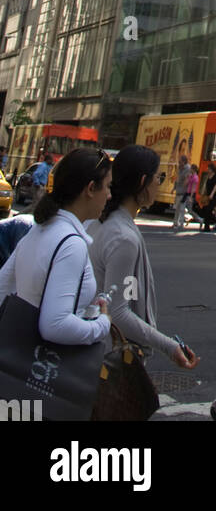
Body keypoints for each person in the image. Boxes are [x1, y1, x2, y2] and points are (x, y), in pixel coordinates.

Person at [90, 145, 199, 376]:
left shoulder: (105, 222)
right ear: (143, 181)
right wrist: (169, 346)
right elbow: (118, 311)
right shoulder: (123, 238)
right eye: (158, 177)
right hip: (111, 361)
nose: (160, 183)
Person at [0, 148, 112, 358]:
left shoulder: (40, 229)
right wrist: (102, 324)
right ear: (90, 188)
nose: (109, 194)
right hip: (42, 373)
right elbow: (55, 325)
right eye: (106, 186)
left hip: (17, 360)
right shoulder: (71, 243)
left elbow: (3, 287)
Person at [171, 155, 191, 231]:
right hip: (179, 190)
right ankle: (175, 223)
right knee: (177, 207)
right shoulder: (180, 168)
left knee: (181, 208)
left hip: (184, 191)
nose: (179, 163)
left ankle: (181, 223)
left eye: (180, 161)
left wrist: (184, 185)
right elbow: (177, 179)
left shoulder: (187, 168)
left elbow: (187, 179)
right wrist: (174, 188)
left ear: (184, 161)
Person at [199, 162, 216, 231]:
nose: (207, 169)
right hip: (208, 195)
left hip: (214, 195)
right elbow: (206, 185)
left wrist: (212, 194)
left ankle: (206, 227)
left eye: (209, 168)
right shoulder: (208, 175)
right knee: (205, 210)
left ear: (212, 169)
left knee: (209, 210)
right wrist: (204, 193)